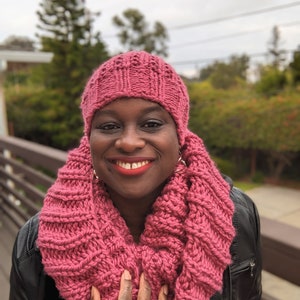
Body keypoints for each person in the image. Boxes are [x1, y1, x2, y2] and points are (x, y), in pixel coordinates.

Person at [9, 50, 262, 300]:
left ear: (179, 135)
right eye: (109, 126)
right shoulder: (36, 243)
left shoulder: (236, 216)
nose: (129, 142)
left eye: (151, 124)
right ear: (89, 139)